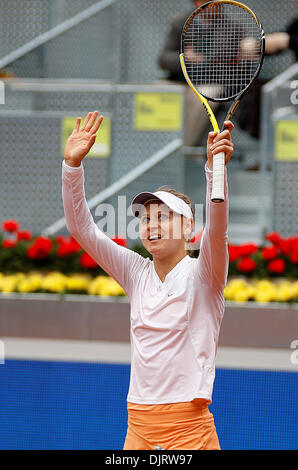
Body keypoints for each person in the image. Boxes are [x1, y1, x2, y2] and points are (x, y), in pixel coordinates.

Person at [62, 110, 234, 450]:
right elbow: (81, 229)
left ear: (187, 229)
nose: (151, 225)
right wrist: (71, 168)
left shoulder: (205, 274)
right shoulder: (135, 271)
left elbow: (217, 230)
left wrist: (215, 171)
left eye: (164, 217)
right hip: (138, 424)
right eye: (145, 218)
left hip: (189, 429)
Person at [158, 0, 219, 147]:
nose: (215, 5)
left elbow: (228, 63)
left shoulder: (231, 26)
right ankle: (159, 147)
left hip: (208, 84)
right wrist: (185, 58)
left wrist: (203, 61)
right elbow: (163, 60)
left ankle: (184, 148)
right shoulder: (180, 22)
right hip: (178, 81)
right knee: (156, 90)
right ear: (197, 3)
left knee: (205, 96)